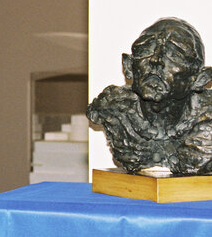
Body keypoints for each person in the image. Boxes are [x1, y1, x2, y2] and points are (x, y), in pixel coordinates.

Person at [87, 17, 212, 174]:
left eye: (175, 55)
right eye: (146, 50)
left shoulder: (208, 120)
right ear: (128, 66)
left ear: (200, 79)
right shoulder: (113, 108)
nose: (155, 60)